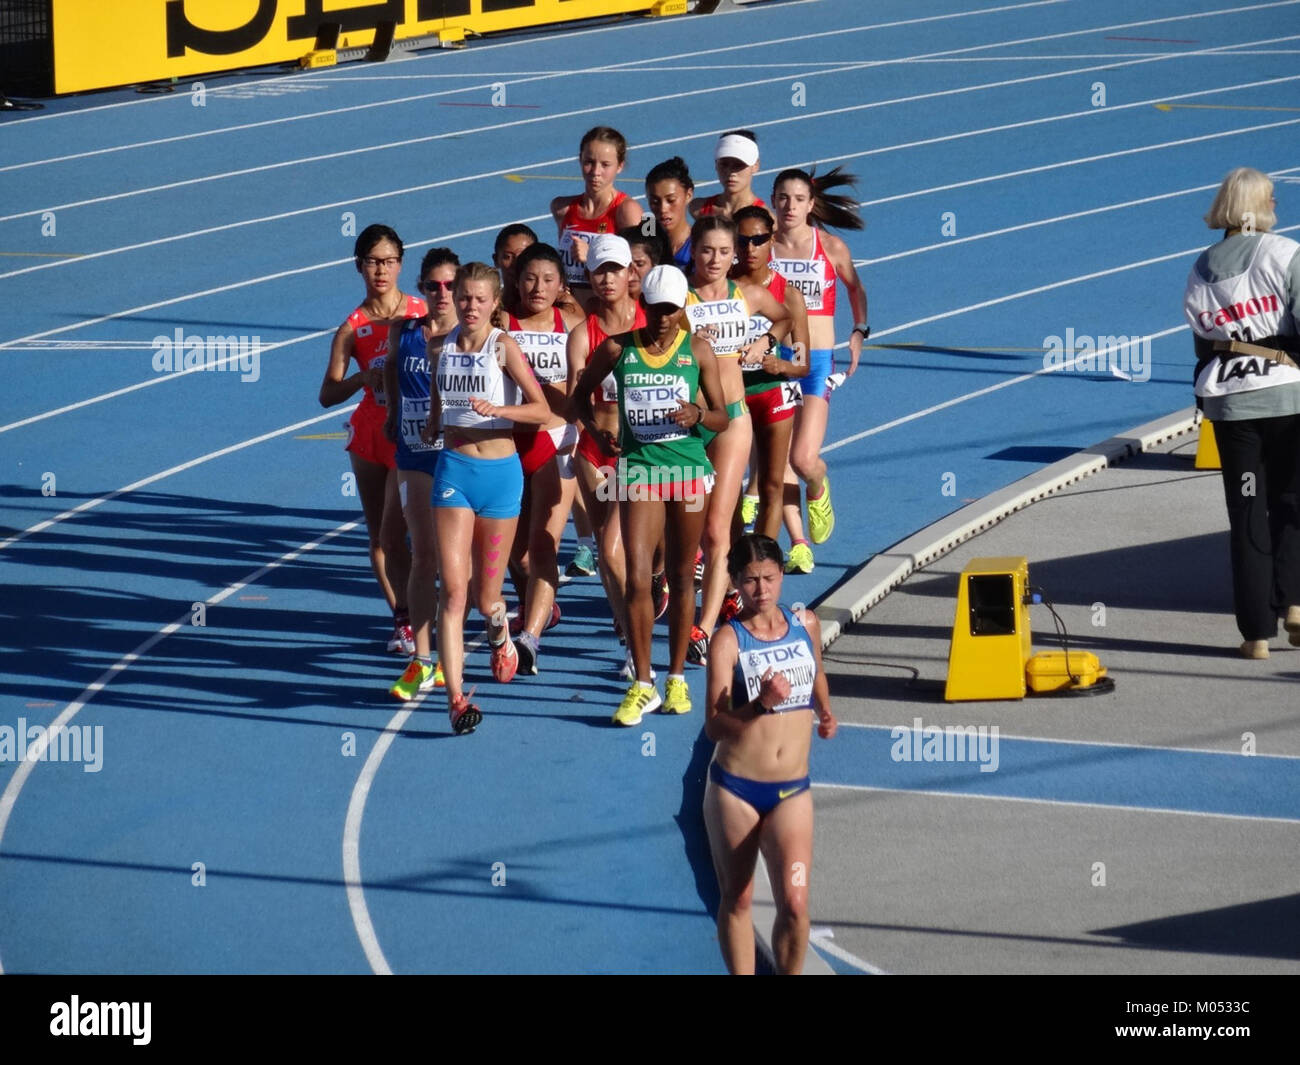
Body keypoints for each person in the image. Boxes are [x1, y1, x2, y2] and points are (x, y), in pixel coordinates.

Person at [572, 264, 729, 725]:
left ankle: (676, 677)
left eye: (671, 310)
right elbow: (579, 397)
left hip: (689, 473)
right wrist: (597, 435)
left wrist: (697, 414)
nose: (662, 318)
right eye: (655, 309)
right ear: (644, 306)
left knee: (681, 576)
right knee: (639, 578)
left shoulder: (697, 350)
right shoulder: (618, 348)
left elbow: (722, 416)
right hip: (640, 471)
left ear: (682, 308)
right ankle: (643, 682)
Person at [423, 262, 550, 732]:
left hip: (500, 476)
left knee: (485, 599)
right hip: (454, 472)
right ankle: (456, 699)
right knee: (453, 591)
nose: (470, 306)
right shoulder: (440, 347)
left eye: (480, 299)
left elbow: (541, 410)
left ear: (495, 302)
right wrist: (433, 424)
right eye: (464, 297)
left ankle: (499, 632)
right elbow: (438, 404)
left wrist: (499, 409)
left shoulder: (503, 346)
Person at [703, 533, 836, 975]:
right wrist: (761, 704)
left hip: (791, 791)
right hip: (736, 791)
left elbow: (817, 673)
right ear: (735, 582)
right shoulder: (728, 641)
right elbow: (714, 725)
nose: (761, 590)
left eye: (769, 578)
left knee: (795, 905)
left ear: (782, 575)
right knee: (738, 898)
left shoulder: (806, 624)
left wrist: (825, 710)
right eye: (750, 580)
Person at [1185, 166, 1300, 659]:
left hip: (1232, 409)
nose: (1276, 205)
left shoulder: (1201, 267)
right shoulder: (1285, 253)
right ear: (1255, 205)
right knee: (1292, 500)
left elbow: (1203, 344)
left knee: (1248, 512)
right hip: (1287, 400)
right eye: (1271, 197)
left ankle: (1256, 635)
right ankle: (1294, 602)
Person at [686, 215, 792, 666]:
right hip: (687, 425)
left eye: (724, 252)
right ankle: (717, 592)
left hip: (732, 419)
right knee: (689, 531)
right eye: (707, 250)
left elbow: (784, 316)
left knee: (716, 530)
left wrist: (765, 342)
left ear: (734, 256)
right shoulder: (679, 298)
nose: (715, 259)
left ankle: (703, 628)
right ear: (693, 251)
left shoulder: (745, 294)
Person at [319, 223, 426, 656]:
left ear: (401, 264)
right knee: (381, 536)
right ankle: (403, 618)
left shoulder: (421, 311)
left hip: (413, 435)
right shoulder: (352, 327)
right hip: (370, 436)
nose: (381, 270)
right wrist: (362, 379)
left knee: (409, 530)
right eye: (372, 262)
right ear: (358, 267)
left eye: (389, 261)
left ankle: (426, 604)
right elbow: (327, 394)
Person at [770, 166, 868, 574]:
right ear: (773, 201)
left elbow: (855, 288)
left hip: (816, 362)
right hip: (775, 361)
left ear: (811, 204)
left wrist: (859, 330)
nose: (790, 206)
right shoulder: (763, 248)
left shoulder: (829, 246)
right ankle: (798, 544)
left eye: (798, 199)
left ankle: (817, 485)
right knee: (778, 461)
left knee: (804, 458)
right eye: (783, 198)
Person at [565, 233, 646, 668]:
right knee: (606, 549)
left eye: (615, 269)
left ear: (631, 272)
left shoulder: (655, 322)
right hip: (596, 451)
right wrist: (593, 429)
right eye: (599, 271)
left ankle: (636, 632)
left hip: (644, 453)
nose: (607, 278)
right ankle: (629, 636)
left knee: (622, 550)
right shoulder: (583, 335)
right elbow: (574, 403)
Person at [384, 247, 460, 700]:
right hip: (414, 454)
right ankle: (423, 660)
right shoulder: (404, 331)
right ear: (422, 289)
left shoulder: (474, 337)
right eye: (433, 286)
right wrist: (393, 410)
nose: (442, 293)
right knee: (423, 556)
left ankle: (456, 650)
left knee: (456, 566)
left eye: (450, 285)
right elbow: (392, 370)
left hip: (459, 458)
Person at [506, 242, 584, 675]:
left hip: (556, 441)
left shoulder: (572, 323)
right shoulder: (501, 323)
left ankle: (529, 640)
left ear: (561, 285)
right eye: (530, 278)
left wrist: (584, 432)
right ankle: (540, 607)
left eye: (548, 279)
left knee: (543, 547)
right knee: (514, 553)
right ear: (517, 281)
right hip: (508, 444)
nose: (538, 287)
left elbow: (588, 385)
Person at [732, 206, 811, 541]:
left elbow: (803, 364)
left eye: (758, 240)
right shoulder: (721, 287)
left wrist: (781, 366)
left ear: (772, 240)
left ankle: (765, 557)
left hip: (770, 393)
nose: (750, 248)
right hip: (730, 395)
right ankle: (729, 556)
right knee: (726, 485)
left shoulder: (788, 294)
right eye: (742, 240)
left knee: (771, 484)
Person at [550, 126, 643, 301]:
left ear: (620, 166)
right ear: (580, 160)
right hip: (572, 310)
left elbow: (638, 270)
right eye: (589, 162)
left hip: (608, 310)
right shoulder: (561, 208)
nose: (595, 172)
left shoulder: (627, 211)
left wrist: (592, 256)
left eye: (605, 165)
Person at [691, 130, 767, 221]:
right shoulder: (698, 208)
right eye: (724, 164)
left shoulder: (766, 220)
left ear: (756, 165)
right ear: (716, 164)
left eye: (739, 165)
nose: (730, 172)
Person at [646, 156, 697, 271]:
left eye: (671, 200)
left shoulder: (700, 244)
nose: (663, 209)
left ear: (688, 195)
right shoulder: (645, 235)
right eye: (655, 201)